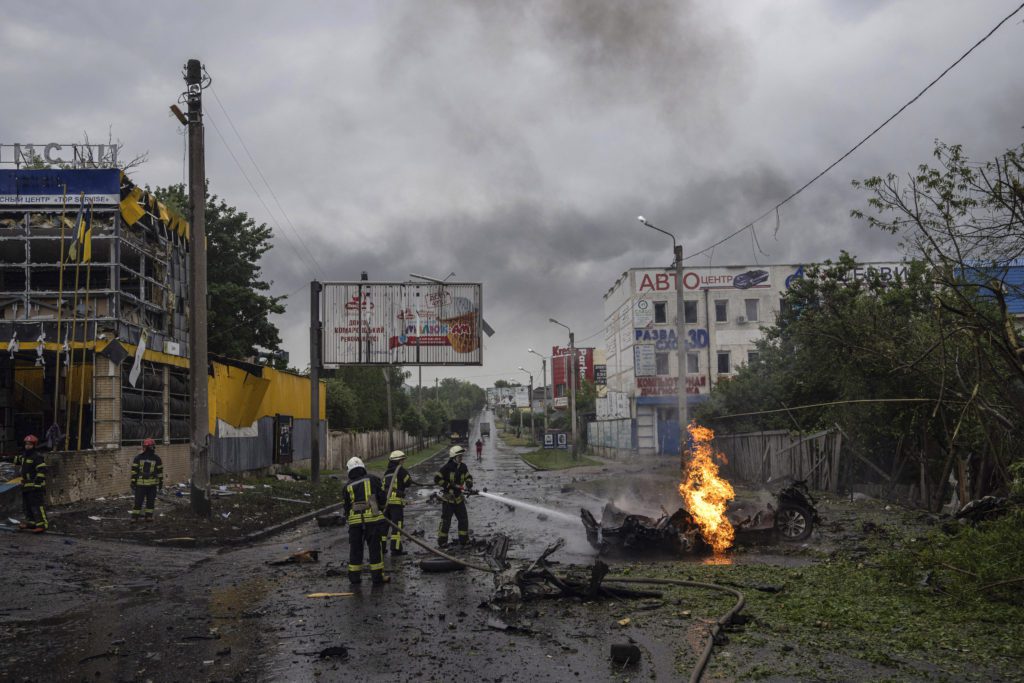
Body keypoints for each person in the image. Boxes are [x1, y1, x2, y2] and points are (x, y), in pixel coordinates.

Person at [342, 456, 389, 585]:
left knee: (355, 550)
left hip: (355, 524)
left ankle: (354, 578)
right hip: (372, 521)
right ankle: (377, 578)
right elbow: (382, 498)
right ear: (363, 467)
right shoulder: (373, 479)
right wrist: (382, 508)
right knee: (375, 549)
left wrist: (350, 518)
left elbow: (346, 507)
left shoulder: (347, 486)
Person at [434, 445, 474, 547]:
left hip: (459, 499)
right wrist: (448, 485)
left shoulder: (463, 467)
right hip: (448, 500)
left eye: (461, 456)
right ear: (454, 457)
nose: (461, 458)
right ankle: (442, 541)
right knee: (446, 521)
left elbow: (468, 476)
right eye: (459, 456)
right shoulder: (447, 468)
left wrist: (469, 482)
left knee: (463, 520)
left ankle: (464, 540)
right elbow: (437, 479)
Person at [382, 450, 413, 556]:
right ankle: (396, 550)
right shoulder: (401, 471)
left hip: (386, 503)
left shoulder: (387, 472)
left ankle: (381, 549)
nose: (403, 462)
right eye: (402, 460)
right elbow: (408, 482)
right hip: (396, 504)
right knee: (397, 526)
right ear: (399, 460)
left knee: (384, 527)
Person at [15, 435, 47, 532]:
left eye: (29, 444)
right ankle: (32, 523)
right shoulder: (25, 456)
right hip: (26, 486)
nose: (27, 446)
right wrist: (17, 455)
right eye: (26, 444)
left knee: (37, 505)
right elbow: (17, 461)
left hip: (35, 486)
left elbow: (42, 470)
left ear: (34, 445)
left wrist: (38, 482)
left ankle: (42, 525)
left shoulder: (37, 457)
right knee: (27, 506)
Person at [130, 438, 164, 522]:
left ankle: (147, 516)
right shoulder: (139, 458)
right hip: (143, 485)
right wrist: (133, 482)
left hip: (149, 485)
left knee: (149, 501)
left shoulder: (156, 459)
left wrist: (160, 482)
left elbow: (160, 471)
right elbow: (134, 471)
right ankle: (135, 517)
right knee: (140, 502)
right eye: (152, 446)